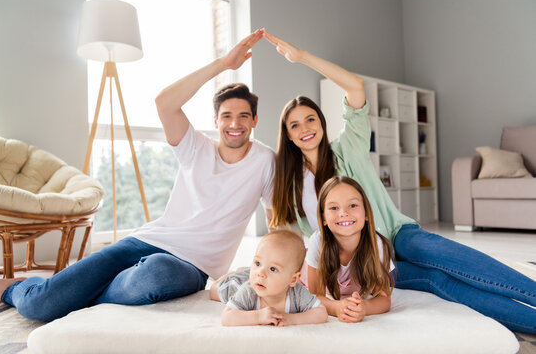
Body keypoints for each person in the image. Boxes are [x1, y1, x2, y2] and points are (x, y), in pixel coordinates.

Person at [265, 30, 536, 334]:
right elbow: (286, 240)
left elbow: (355, 87)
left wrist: (301, 56)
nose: (305, 128)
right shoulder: (290, 185)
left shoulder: (348, 147)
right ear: (287, 134)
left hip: (394, 234)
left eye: (310, 119)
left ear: (322, 122)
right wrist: (259, 270)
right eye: (295, 125)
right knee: (438, 281)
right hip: (362, 263)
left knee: (439, 255)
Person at [0, 29, 276, 322]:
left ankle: (75, 293)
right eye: (227, 116)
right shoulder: (196, 147)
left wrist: (272, 269)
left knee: (156, 274)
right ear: (215, 120)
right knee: (39, 306)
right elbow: (165, 103)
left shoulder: (265, 160)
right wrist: (223, 64)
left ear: (254, 121)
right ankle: (14, 288)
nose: (235, 123)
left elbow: (274, 220)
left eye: (244, 116)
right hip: (146, 241)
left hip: (193, 267)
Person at [303, 176, 394, 323]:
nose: (343, 213)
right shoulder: (318, 241)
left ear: (366, 213)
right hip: (303, 272)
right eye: (333, 207)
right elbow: (315, 296)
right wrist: (337, 307)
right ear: (323, 218)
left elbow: (384, 299)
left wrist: (364, 307)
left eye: (352, 205)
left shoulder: (377, 244)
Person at [211, 229, 328, 326]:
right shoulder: (248, 291)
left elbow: (321, 313)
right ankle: (238, 272)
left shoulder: (297, 293)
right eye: (257, 263)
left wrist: (291, 319)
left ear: (293, 280)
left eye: (273, 269)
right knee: (214, 291)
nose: (260, 272)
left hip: (255, 280)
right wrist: (258, 316)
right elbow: (227, 317)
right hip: (239, 284)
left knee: (254, 274)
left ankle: (246, 270)